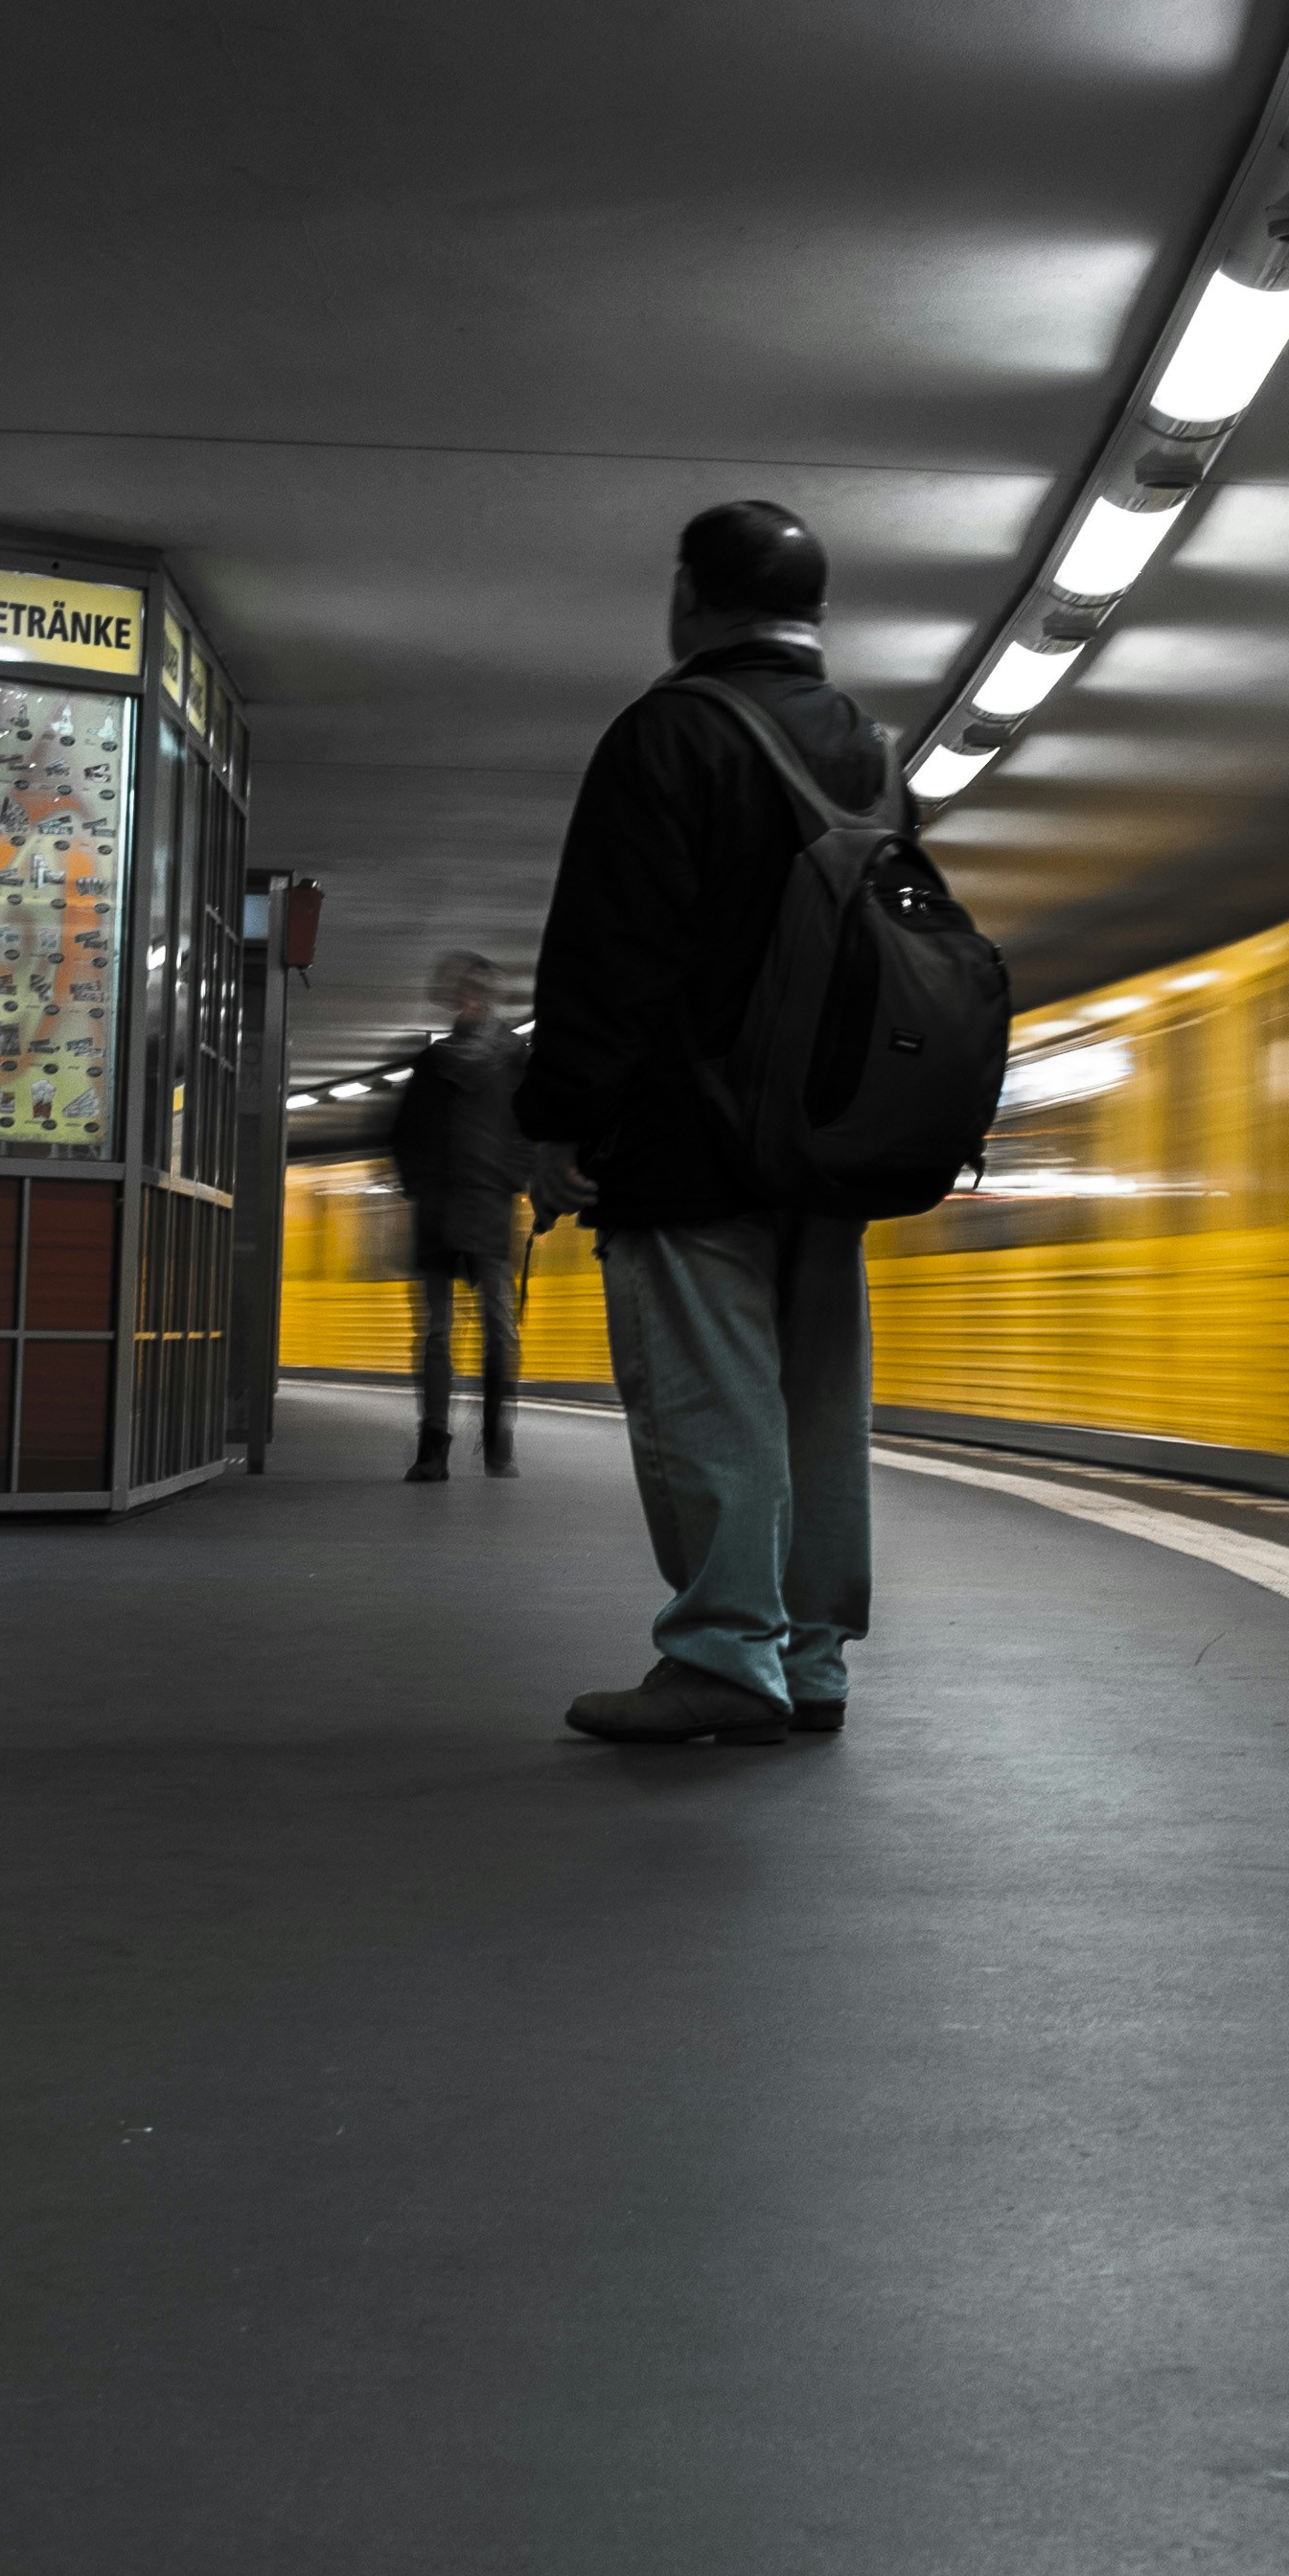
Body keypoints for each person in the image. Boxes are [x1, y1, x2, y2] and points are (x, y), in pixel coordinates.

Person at [518, 500, 888, 1747]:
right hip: (833, 1142)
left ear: (690, 596)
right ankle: (813, 1655)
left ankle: (726, 1652)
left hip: (689, 1144)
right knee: (817, 1399)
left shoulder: (671, 734)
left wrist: (558, 1120)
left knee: (709, 1400)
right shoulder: (866, 752)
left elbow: (610, 953)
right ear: (814, 613)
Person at [387, 946, 541, 1484]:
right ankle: (433, 1446)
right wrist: (421, 1183)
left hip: (489, 1208)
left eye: (475, 989)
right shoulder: (431, 1063)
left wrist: (508, 1180)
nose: (467, 998)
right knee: (436, 1332)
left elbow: (531, 1128)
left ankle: (498, 1433)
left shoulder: (516, 1061)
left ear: (489, 995)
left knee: (499, 1328)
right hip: (438, 1211)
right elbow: (403, 1133)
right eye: (460, 990)